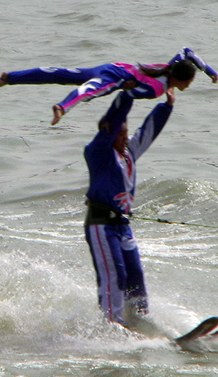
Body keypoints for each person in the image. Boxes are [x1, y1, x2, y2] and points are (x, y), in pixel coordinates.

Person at [83, 78, 183, 327]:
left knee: (135, 275)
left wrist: (166, 106)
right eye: (120, 134)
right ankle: (112, 326)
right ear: (108, 132)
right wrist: (126, 98)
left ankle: (139, 320)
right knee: (115, 274)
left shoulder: (128, 154)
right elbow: (110, 130)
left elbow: (147, 132)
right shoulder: (97, 153)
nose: (125, 138)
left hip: (122, 225)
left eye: (126, 133)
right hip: (101, 225)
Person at [0, 47, 217, 125]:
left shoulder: (170, 66)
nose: (189, 85)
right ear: (181, 79)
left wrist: (209, 71)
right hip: (114, 78)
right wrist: (166, 98)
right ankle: (62, 107)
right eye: (190, 81)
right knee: (90, 91)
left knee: (61, 74)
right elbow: (130, 93)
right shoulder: (156, 89)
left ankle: (9, 77)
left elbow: (187, 52)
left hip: (112, 65)